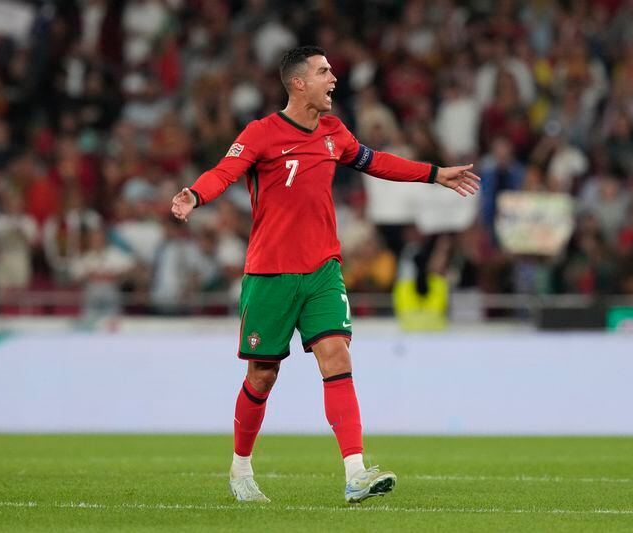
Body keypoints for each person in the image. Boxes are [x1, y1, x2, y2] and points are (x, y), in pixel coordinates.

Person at [171, 46, 480, 504]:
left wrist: (434, 174)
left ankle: (355, 472)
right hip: (270, 273)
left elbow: (377, 162)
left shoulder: (335, 131)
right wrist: (195, 196)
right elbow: (226, 171)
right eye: (323, 71)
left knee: (336, 356)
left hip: (322, 270)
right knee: (262, 375)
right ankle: (240, 469)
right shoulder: (261, 133)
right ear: (298, 83)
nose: (333, 78)